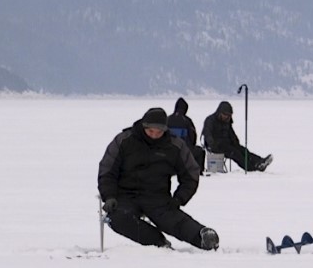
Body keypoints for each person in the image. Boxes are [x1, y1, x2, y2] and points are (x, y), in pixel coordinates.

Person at [97, 107, 218, 249]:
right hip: (125, 196)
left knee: (172, 220)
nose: (154, 135)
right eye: (150, 131)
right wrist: (109, 196)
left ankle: (203, 237)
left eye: (159, 132)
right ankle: (158, 242)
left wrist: (179, 198)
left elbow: (191, 174)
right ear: (143, 126)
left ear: (165, 130)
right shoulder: (123, 140)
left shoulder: (175, 145)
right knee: (118, 219)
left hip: (158, 197)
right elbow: (107, 171)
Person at [202, 100, 272, 172]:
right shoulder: (210, 120)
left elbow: (231, 134)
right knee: (236, 154)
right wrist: (212, 144)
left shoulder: (227, 122)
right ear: (220, 113)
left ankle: (259, 161)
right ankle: (251, 168)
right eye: (226, 115)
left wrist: (236, 143)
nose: (227, 117)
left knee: (243, 150)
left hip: (227, 144)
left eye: (229, 115)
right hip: (216, 146)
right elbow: (207, 134)